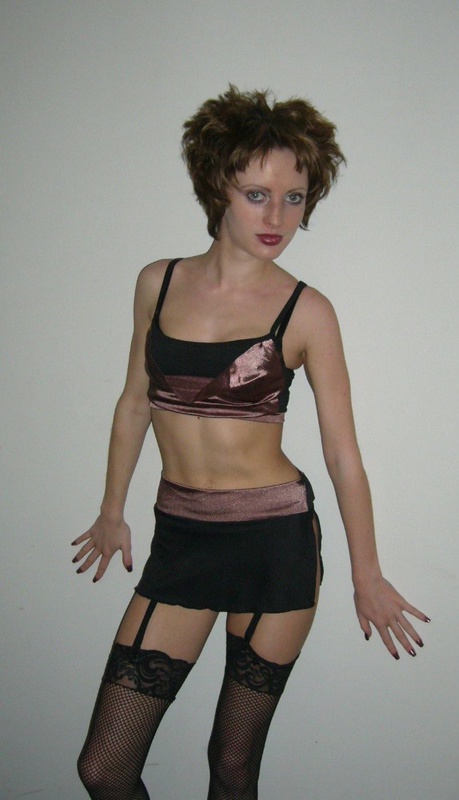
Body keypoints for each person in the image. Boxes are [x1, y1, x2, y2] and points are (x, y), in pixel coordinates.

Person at [73, 86, 429, 800]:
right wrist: (112, 510)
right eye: (257, 195)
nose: (277, 218)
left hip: (274, 543)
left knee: (232, 764)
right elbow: (134, 401)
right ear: (218, 186)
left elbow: (342, 455)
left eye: (294, 198)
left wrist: (365, 574)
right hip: (181, 539)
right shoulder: (157, 283)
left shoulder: (307, 310)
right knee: (104, 769)